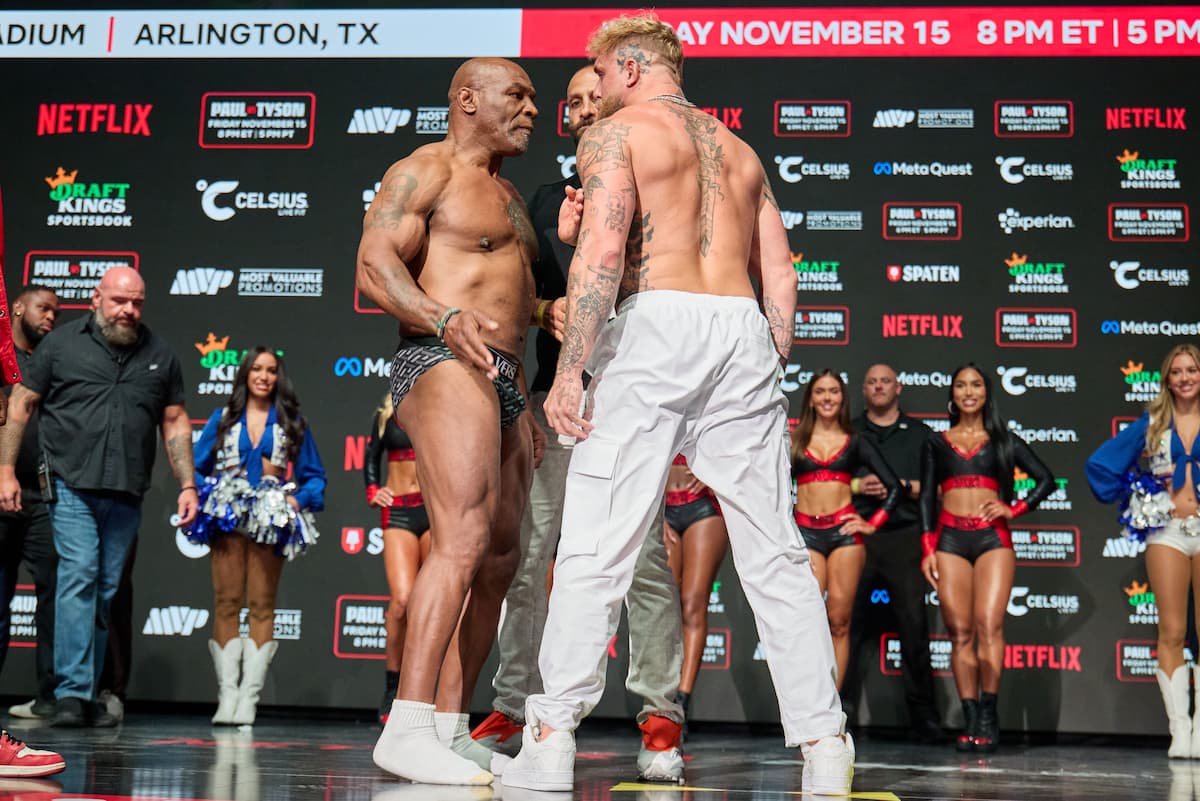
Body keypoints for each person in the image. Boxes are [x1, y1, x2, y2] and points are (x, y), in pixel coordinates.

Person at [503, 15, 853, 795]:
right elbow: (783, 273)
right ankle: (826, 745)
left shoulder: (617, 133)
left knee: (598, 537)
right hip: (740, 329)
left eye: (597, 72)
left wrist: (570, 373)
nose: (590, 87)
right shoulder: (741, 148)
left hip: (654, 322)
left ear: (629, 67)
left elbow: (600, 251)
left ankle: (552, 736)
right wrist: (769, 360)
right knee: (774, 548)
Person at [471, 64, 687, 783]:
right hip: (548, 397)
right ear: (566, 119)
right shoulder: (536, 199)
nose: (588, 111)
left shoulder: (657, 192)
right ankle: (512, 705)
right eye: (577, 103)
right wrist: (544, 312)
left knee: (645, 562)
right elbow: (513, 294)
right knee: (529, 557)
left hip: (633, 398)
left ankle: (660, 717)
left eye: (600, 98)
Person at [357, 57, 539, 786]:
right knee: (460, 537)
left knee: (499, 555)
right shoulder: (423, 169)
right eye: (517, 95)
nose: (531, 110)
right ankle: (404, 723)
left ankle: (445, 724)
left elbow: (517, 299)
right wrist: (443, 314)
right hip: (438, 356)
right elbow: (372, 266)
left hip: (503, 377)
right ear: (467, 99)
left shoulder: (508, 195)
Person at [0, 267, 197, 728]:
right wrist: (6, 469)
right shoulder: (61, 345)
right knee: (79, 576)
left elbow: (175, 420)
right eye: (119, 301)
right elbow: (21, 404)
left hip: (127, 491)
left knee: (105, 592)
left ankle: (86, 691)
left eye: (137, 303)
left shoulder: (160, 355)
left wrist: (187, 484)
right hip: (69, 484)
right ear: (96, 298)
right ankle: (71, 693)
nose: (128, 310)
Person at [919, 363, 1055, 753]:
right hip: (949, 539)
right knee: (959, 631)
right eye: (960, 384)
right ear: (952, 394)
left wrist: (1016, 508)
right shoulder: (937, 442)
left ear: (986, 393)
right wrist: (927, 548)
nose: (968, 391)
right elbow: (927, 496)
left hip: (992, 540)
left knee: (989, 626)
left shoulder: (1003, 440)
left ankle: (990, 715)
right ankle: (970, 716)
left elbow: (1045, 479)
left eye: (976, 384)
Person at [187, 346, 326, 726]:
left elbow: (315, 476)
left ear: (278, 377)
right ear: (245, 374)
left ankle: (249, 699)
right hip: (228, 517)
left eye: (271, 370)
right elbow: (195, 468)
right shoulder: (223, 417)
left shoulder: (291, 420)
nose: (264, 376)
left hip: (271, 518)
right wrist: (212, 492)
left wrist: (296, 501)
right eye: (257, 369)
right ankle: (227, 697)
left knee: (262, 605)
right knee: (226, 602)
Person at [1087, 343, 1200, 758]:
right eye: (1177, 371)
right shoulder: (1153, 422)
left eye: (1192, 370)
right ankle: (1181, 732)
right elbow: (1101, 465)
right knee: (1171, 631)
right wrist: (1141, 493)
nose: (1185, 378)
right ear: (1167, 379)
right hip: (1167, 530)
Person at [843, 364, 943, 742]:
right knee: (846, 628)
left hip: (904, 537)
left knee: (914, 628)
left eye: (885, 381)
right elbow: (828, 479)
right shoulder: (849, 432)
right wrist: (857, 484)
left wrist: (898, 486)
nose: (879, 387)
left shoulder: (920, 436)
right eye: (871, 382)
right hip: (858, 534)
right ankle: (839, 711)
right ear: (864, 390)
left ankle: (925, 717)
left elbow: (937, 491)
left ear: (898, 388)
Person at [790, 370, 899, 692]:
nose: (827, 397)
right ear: (810, 398)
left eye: (834, 391)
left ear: (843, 397)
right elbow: (772, 486)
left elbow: (893, 487)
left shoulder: (857, 442)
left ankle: (832, 710)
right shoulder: (794, 441)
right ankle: (808, 703)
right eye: (820, 391)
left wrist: (872, 522)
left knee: (839, 622)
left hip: (844, 536)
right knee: (808, 623)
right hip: (807, 534)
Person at [0, 286, 59, 720]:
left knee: (54, 600)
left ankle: (50, 699)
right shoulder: (2, 364)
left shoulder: (52, 364)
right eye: (44, 308)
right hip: (1, 493)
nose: (51, 317)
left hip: (43, 496)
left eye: (56, 312)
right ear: (17, 308)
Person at [363, 394, 429, 724]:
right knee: (402, 601)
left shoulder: (443, 402)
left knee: (432, 605)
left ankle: (425, 694)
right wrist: (373, 491)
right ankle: (393, 689)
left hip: (435, 510)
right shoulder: (387, 412)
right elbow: (370, 457)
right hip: (399, 510)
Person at [662, 454, 725, 732]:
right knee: (664, 607)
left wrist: (717, 474)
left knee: (692, 604)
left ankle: (682, 700)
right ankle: (661, 697)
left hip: (704, 505)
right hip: (662, 506)